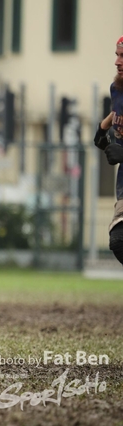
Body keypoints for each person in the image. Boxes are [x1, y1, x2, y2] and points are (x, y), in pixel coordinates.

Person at [95, 35, 123, 265]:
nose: (117, 61)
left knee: (120, 240)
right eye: (117, 55)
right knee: (119, 241)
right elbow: (117, 110)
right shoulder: (117, 87)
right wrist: (101, 128)